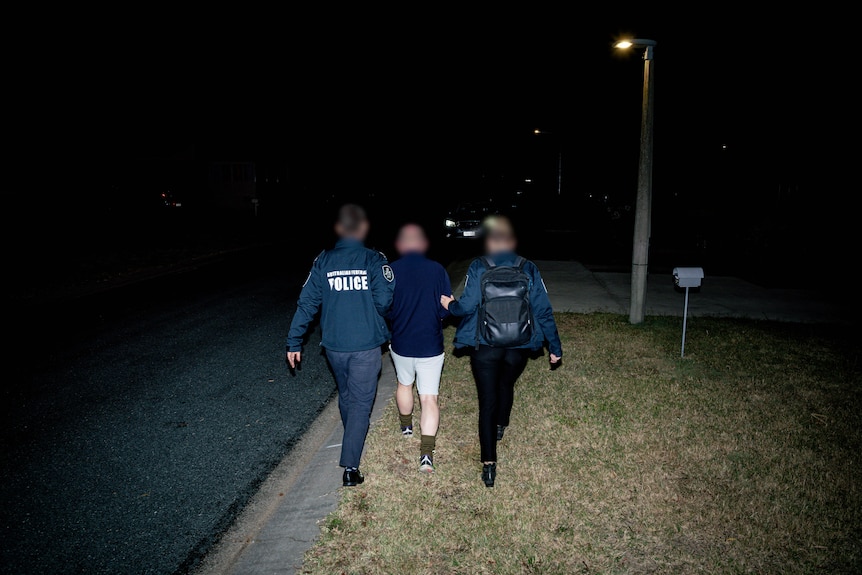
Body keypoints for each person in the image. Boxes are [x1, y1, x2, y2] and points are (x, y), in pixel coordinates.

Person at [441, 214, 562, 487]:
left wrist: (450, 305)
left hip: (485, 345)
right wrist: (554, 347)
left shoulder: (479, 266)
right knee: (506, 383)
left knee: (487, 401)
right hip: (519, 344)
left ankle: (489, 465)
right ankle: (501, 426)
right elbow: (543, 310)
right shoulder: (528, 267)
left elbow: (467, 307)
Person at [286, 203, 395, 487]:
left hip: (334, 347)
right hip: (364, 346)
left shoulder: (323, 260)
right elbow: (385, 301)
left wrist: (293, 341)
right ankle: (351, 467)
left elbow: (307, 303)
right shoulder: (374, 259)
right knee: (359, 403)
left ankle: (352, 437)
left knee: (347, 396)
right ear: (362, 229)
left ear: (339, 229)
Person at [386, 223, 452, 473]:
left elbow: (385, 305)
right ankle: (426, 454)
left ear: (402, 245)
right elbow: (446, 307)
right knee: (428, 396)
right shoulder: (436, 270)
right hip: (430, 343)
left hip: (402, 341)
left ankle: (406, 428)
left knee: (404, 383)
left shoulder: (390, 270)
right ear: (422, 244)